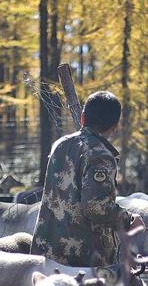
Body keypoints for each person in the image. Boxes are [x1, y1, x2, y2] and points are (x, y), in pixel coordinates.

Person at [31, 91, 140, 267]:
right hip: (81, 260)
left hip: (46, 253)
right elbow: (95, 207)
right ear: (115, 126)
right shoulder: (101, 156)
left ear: (82, 118)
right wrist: (129, 220)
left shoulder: (60, 144)